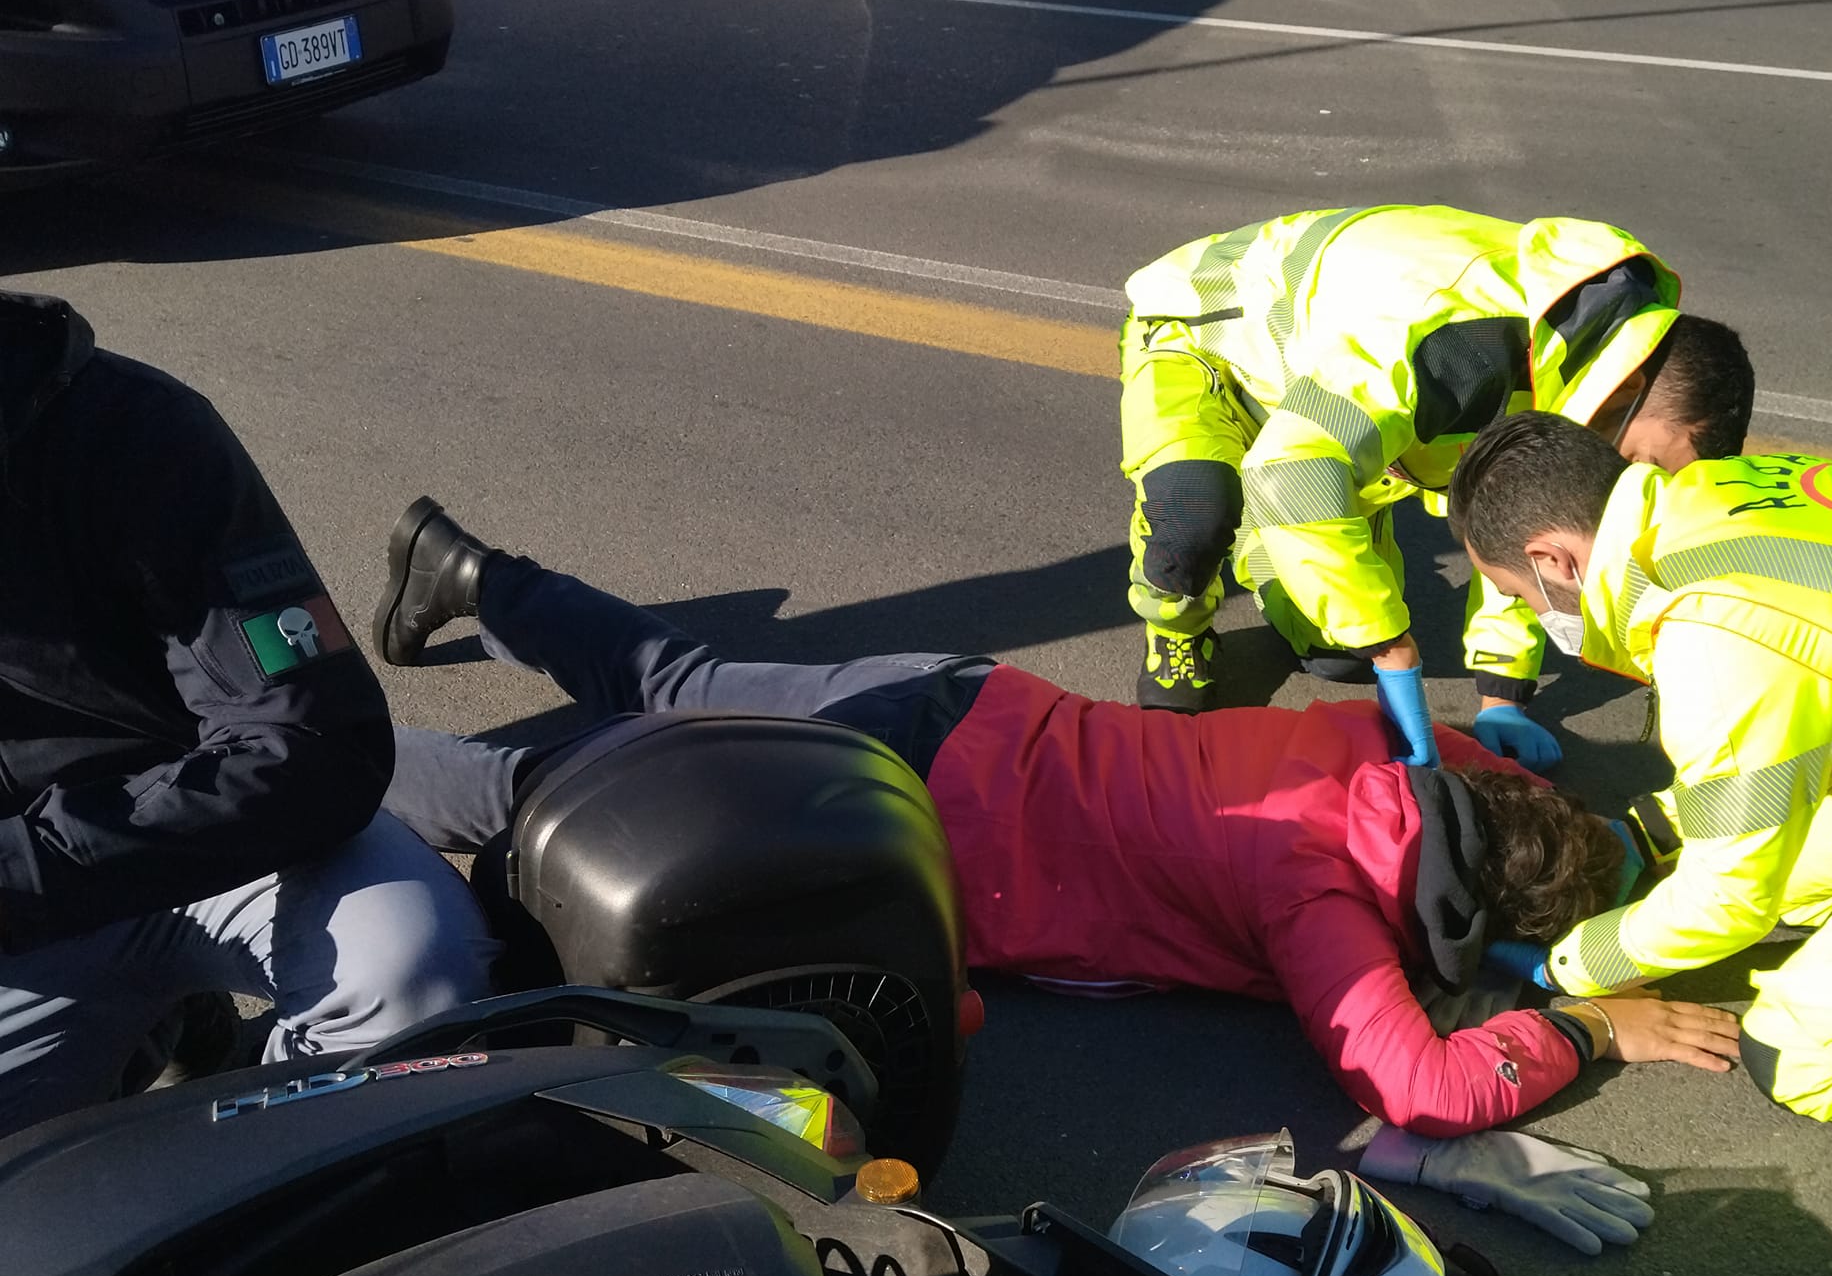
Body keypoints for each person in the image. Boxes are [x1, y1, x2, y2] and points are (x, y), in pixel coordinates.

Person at [375, 499, 1739, 1225]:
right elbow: (1417, 1082)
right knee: (550, 797)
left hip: (963, 699)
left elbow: (1501, 771)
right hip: (899, 813)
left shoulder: (1388, 751)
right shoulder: (1317, 900)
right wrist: (1588, 1026)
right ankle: (344, 766)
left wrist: (1610, 836)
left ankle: (468, 570)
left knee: (673, 676)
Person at [1445, 413, 1832, 1122]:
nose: (1530, 614)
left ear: (1554, 560)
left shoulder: (1716, 626)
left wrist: (1566, 966)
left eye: (1517, 595)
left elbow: (1729, 900)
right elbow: (1804, 719)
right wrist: (1651, 829)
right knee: (1795, 883)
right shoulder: (1716, 497)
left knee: (1799, 1053)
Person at [0, 294, 495, 1137]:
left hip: (219, 837)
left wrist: (26, 864)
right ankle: (160, 1027)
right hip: (26, 908)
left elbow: (310, 742)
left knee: (411, 977)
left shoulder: (136, 433)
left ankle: (276, 1184)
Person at [1117, 203, 1754, 773]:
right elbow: (1294, 472)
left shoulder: (1580, 361)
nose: (1626, 481)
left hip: (1324, 397)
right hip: (1206, 340)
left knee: (1337, 652)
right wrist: (1393, 648)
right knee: (1195, 519)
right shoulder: (1458, 344)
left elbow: (1512, 524)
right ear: (1625, 392)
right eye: (1638, 458)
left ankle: (1272, 546)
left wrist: (1502, 697)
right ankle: (1177, 633)